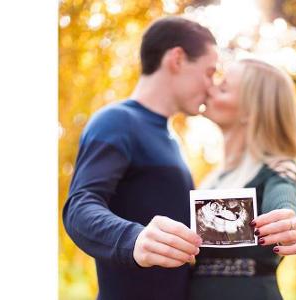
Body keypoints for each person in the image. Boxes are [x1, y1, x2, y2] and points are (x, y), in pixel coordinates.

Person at [62, 16, 218, 300]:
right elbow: (79, 207)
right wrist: (133, 238)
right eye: (209, 72)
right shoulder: (116, 121)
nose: (211, 86)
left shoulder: (172, 138)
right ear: (178, 59)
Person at [189, 59, 296, 300]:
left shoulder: (278, 167)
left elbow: (283, 195)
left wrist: (287, 218)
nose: (210, 88)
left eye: (223, 88)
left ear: (250, 112)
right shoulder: (211, 179)